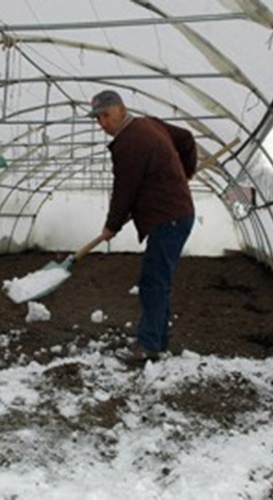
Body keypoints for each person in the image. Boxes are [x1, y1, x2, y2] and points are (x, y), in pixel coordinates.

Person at [87, 90, 197, 363]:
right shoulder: (149, 124)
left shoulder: (128, 143)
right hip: (176, 215)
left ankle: (149, 345)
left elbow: (125, 190)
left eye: (105, 115)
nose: (102, 123)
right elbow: (185, 139)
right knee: (157, 282)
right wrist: (184, 174)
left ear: (121, 110)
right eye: (97, 118)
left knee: (153, 283)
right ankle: (157, 341)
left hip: (167, 217)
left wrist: (111, 226)